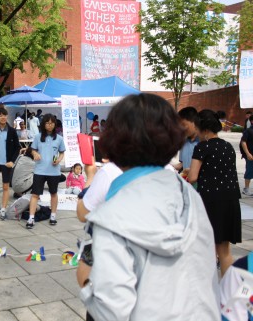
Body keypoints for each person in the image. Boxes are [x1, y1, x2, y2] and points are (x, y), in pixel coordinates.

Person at [81, 94, 220, 321]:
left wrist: (87, 283)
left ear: (113, 142)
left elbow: (110, 309)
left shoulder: (109, 216)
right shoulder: (191, 197)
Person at [189, 109, 242, 276]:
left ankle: (210, 293)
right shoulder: (227, 146)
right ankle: (227, 293)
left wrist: (188, 171)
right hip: (231, 200)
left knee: (208, 249)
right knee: (225, 252)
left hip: (211, 202)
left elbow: (192, 177)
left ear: (203, 129)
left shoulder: (202, 147)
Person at [76, 160, 122, 321]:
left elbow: (83, 213)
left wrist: (90, 177)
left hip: (114, 276)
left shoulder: (111, 171)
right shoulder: (169, 174)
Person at [26, 114, 65, 229]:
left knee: (54, 193)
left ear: (55, 124)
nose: (50, 125)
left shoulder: (59, 138)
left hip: (54, 171)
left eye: (52, 123)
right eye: (47, 123)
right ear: (43, 124)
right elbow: (32, 150)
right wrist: (35, 153)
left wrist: (59, 159)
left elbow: (62, 152)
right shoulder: (38, 137)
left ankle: (53, 215)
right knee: (35, 194)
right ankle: (31, 218)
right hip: (39, 170)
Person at [174, 106, 199, 174]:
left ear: (194, 122)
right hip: (186, 181)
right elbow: (182, 164)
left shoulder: (203, 143)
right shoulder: (184, 142)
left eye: (183, 125)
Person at [241, 114, 253, 196]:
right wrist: (248, 153)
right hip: (250, 156)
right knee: (249, 171)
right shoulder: (248, 131)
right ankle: (246, 189)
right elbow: (243, 142)